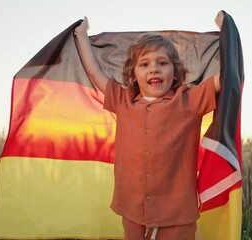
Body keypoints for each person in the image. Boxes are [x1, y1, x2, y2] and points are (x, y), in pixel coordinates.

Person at [74, 11, 224, 240]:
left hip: (177, 217)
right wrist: (82, 35)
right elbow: (95, 72)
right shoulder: (123, 101)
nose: (154, 69)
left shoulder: (188, 100)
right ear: (133, 75)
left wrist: (227, 33)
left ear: (175, 72)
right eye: (144, 64)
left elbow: (227, 78)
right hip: (133, 212)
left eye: (162, 63)